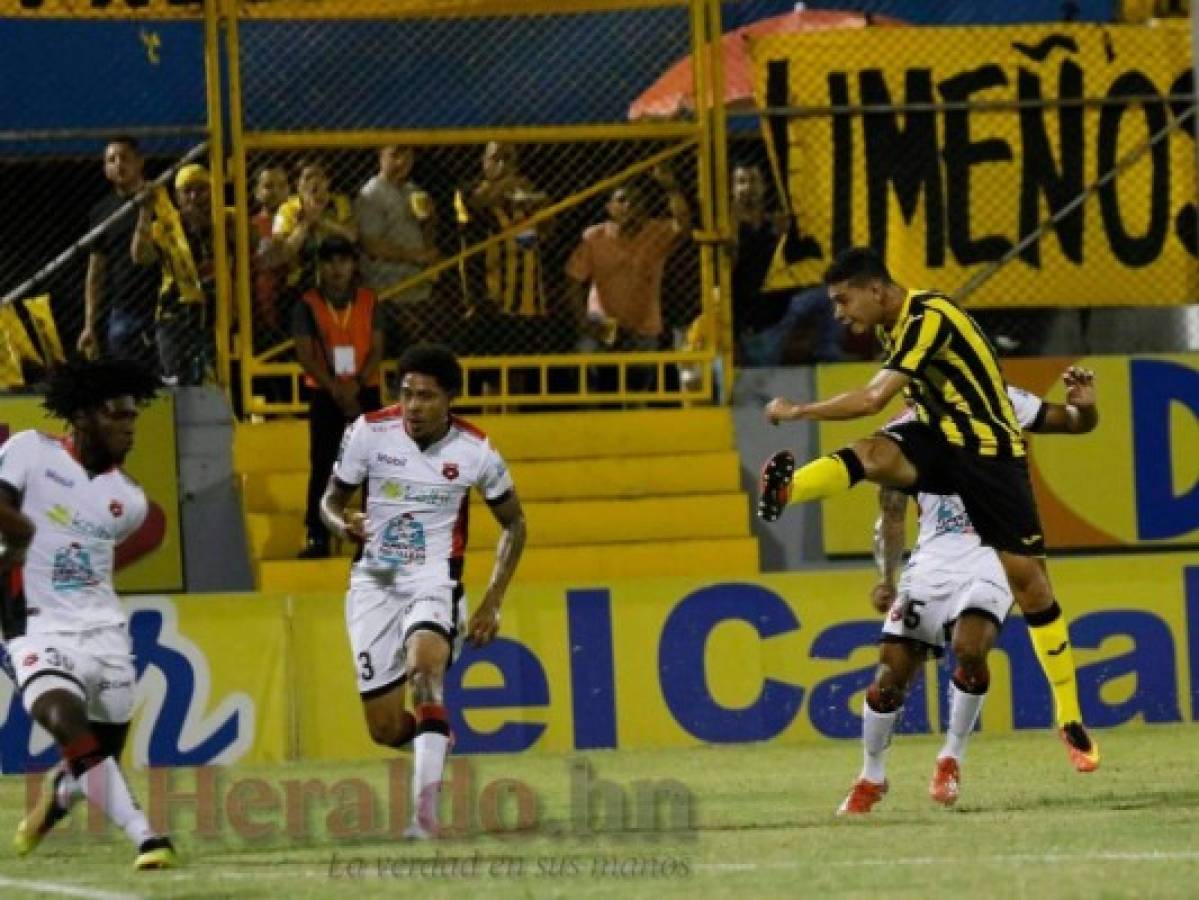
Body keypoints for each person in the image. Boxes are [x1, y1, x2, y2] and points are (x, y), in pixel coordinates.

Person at [759, 246, 1100, 773]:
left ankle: (1070, 717)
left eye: (842, 299)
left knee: (1031, 585)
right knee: (873, 453)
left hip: (989, 456)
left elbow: (873, 399)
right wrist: (887, 572)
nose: (838, 313)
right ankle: (787, 491)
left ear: (876, 289)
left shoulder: (929, 317)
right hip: (939, 445)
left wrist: (798, 410)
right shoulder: (890, 332)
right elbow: (890, 494)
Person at [840, 369, 1099, 815]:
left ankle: (950, 757)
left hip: (994, 549)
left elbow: (1077, 423)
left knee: (971, 648)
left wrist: (1086, 403)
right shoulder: (904, 430)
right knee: (890, 679)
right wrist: (887, 576)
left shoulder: (1006, 401)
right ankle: (871, 775)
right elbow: (893, 512)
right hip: (933, 560)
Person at [319, 344, 526, 839]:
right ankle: (433, 738)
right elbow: (329, 501)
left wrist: (492, 600)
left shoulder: (476, 450)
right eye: (408, 394)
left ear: (449, 399)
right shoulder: (368, 433)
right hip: (374, 583)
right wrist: (341, 525)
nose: (414, 406)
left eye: (427, 397)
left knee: (425, 674)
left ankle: (424, 816)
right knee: (386, 729)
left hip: (435, 579)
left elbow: (514, 523)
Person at [3, 357, 176, 870]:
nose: (128, 427)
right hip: (36, 628)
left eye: (132, 417)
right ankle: (147, 836)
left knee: (96, 756)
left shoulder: (130, 502)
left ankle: (59, 794)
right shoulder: (30, 452)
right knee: (62, 718)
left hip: (105, 634)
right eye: (115, 415)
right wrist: (20, 534)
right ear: (81, 416)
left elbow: (92, 561)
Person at [292, 236, 384, 559]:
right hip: (324, 391)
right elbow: (305, 355)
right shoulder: (307, 304)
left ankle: (375, 536)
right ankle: (318, 535)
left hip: (364, 388)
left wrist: (356, 384)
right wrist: (335, 388)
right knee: (322, 464)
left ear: (353, 265)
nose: (337, 269)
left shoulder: (370, 301)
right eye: (329, 262)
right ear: (319, 267)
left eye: (343, 261)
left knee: (375, 464)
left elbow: (377, 348)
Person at [131, 163, 231, 386]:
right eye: (187, 191)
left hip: (220, 318)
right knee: (180, 384)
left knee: (220, 384)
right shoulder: (167, 227)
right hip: (176, 317)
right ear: (177, 197)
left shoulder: (229, 220)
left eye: (201, 189)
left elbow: (255, 239)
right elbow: (140, 256)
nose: (195, 196)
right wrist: (145, 212)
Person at [79, 137, 160, 367]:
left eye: (124, 157)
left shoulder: (160, 200)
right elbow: (96, 270)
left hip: (163, 308)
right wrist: (89, 324)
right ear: (105, 169)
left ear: (140, 162)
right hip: (124, 310)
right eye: (111, 160)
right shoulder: (102, 211)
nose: (118, 164)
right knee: (125, 382)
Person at [356, 145, 440, 351]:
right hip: (388, 291)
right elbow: (370, 245)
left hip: (417, 290)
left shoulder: (413, 190)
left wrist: (430, 221)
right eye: (394, 155)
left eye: (407, 155)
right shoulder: (372, 193)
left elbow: (426, 239)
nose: (402, 162)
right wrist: (414, 256)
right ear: (380, 157)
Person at [730, 163, 792, 365]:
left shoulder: (774, 225)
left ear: (764, 186)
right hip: (738, 318)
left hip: (774, 316)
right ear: (732, 189)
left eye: (753, 180)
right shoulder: (727, 228)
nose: (748, 187)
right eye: (741, 181)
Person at [273, 159, 359, 301]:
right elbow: (285, 251)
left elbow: (351, 236)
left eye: (320, 177)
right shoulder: (287, 208)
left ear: (328, 182)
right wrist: (306, 222)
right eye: (308, 177)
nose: (314, 183)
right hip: (299, 282)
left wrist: (321, 220)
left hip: (337, 279)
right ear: (298, 184)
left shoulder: (339, 203)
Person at [249, 164, 291, 344]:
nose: (276, 191)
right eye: (268, 186)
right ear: (256, 192)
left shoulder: (300, 222)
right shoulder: (249, 227)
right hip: (261, 311)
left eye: (282, 186)